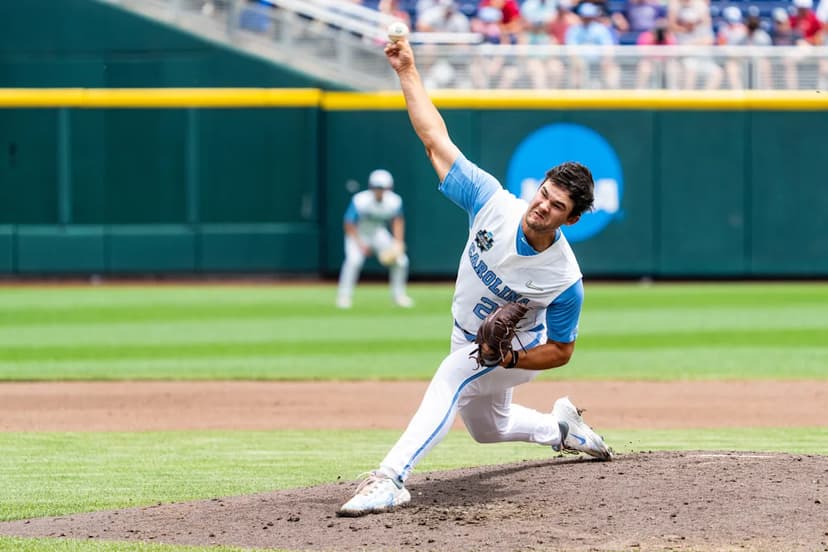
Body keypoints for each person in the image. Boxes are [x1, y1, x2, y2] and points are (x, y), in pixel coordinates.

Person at [337, 33, 611, 517]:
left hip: (508, 349)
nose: (543, 206)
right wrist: (406, 70)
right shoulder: (491, 202)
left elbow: (562, 351)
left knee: (452, 375)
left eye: (557, 206)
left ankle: (391, 478)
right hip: (466, 332)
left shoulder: (565, 279)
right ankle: (563, 429)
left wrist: (506, 358)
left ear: (571, 220)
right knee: (488, 428)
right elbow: (434, 139)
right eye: (545, 193)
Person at [335, 169, 414, 309]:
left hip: (378, 233)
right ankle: (344, 297)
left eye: (382, 188)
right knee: (354, 261)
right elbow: (348, 223)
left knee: (402, 262)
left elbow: (398, 221)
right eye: (377, 187)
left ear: (389, 188)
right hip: (358, 233)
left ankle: (398, 296)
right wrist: (360, 244)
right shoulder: (360, 200)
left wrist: (398, 241)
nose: (379, 191)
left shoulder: (394, 201)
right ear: (371, 187)